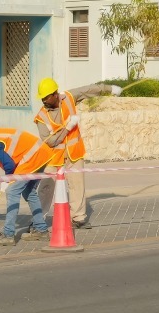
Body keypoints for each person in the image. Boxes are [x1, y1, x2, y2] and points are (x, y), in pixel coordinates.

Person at [34, 77, 122, 229]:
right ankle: (38, 220)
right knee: (46, 187)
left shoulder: (68, 97)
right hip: (54, 156)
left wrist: (110, 89)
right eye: (42, 98)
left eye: (46, 97)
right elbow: (51, 141)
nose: (44, 100)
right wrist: (68, 127)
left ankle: (78, 218)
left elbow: (89, 89)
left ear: (55, 94)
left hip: (74, 152)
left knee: (77, 185)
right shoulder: (41, 117)